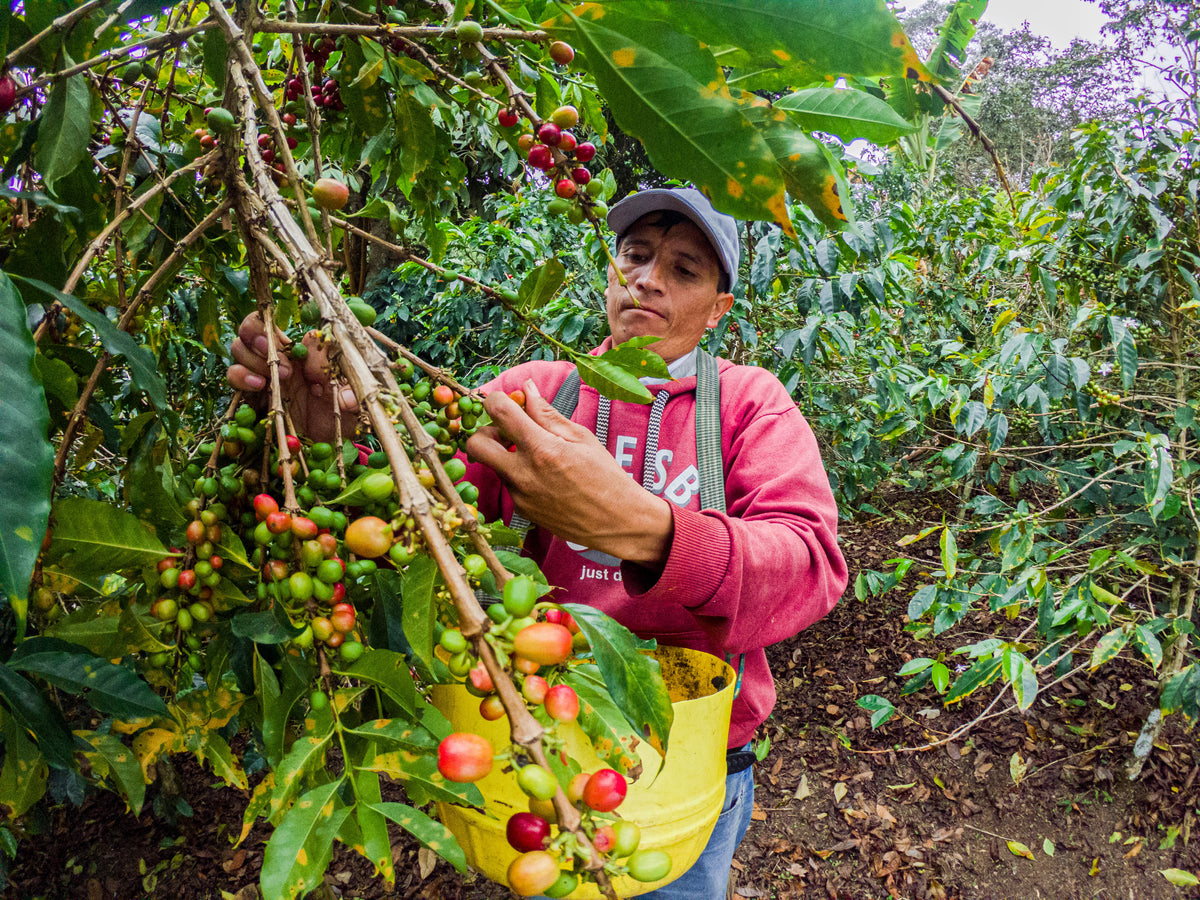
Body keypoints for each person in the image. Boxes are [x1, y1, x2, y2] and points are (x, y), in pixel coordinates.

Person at [227, 188, 847, 897]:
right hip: (531, 734)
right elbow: (424, 517)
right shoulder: (532, 394)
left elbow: (810, 567)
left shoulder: (750, 405)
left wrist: (646, 529)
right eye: (635, 257)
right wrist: (325, 439)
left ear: (717, 310)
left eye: (684, 270)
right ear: (609, 274)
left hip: (688, 752)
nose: (648, 279)